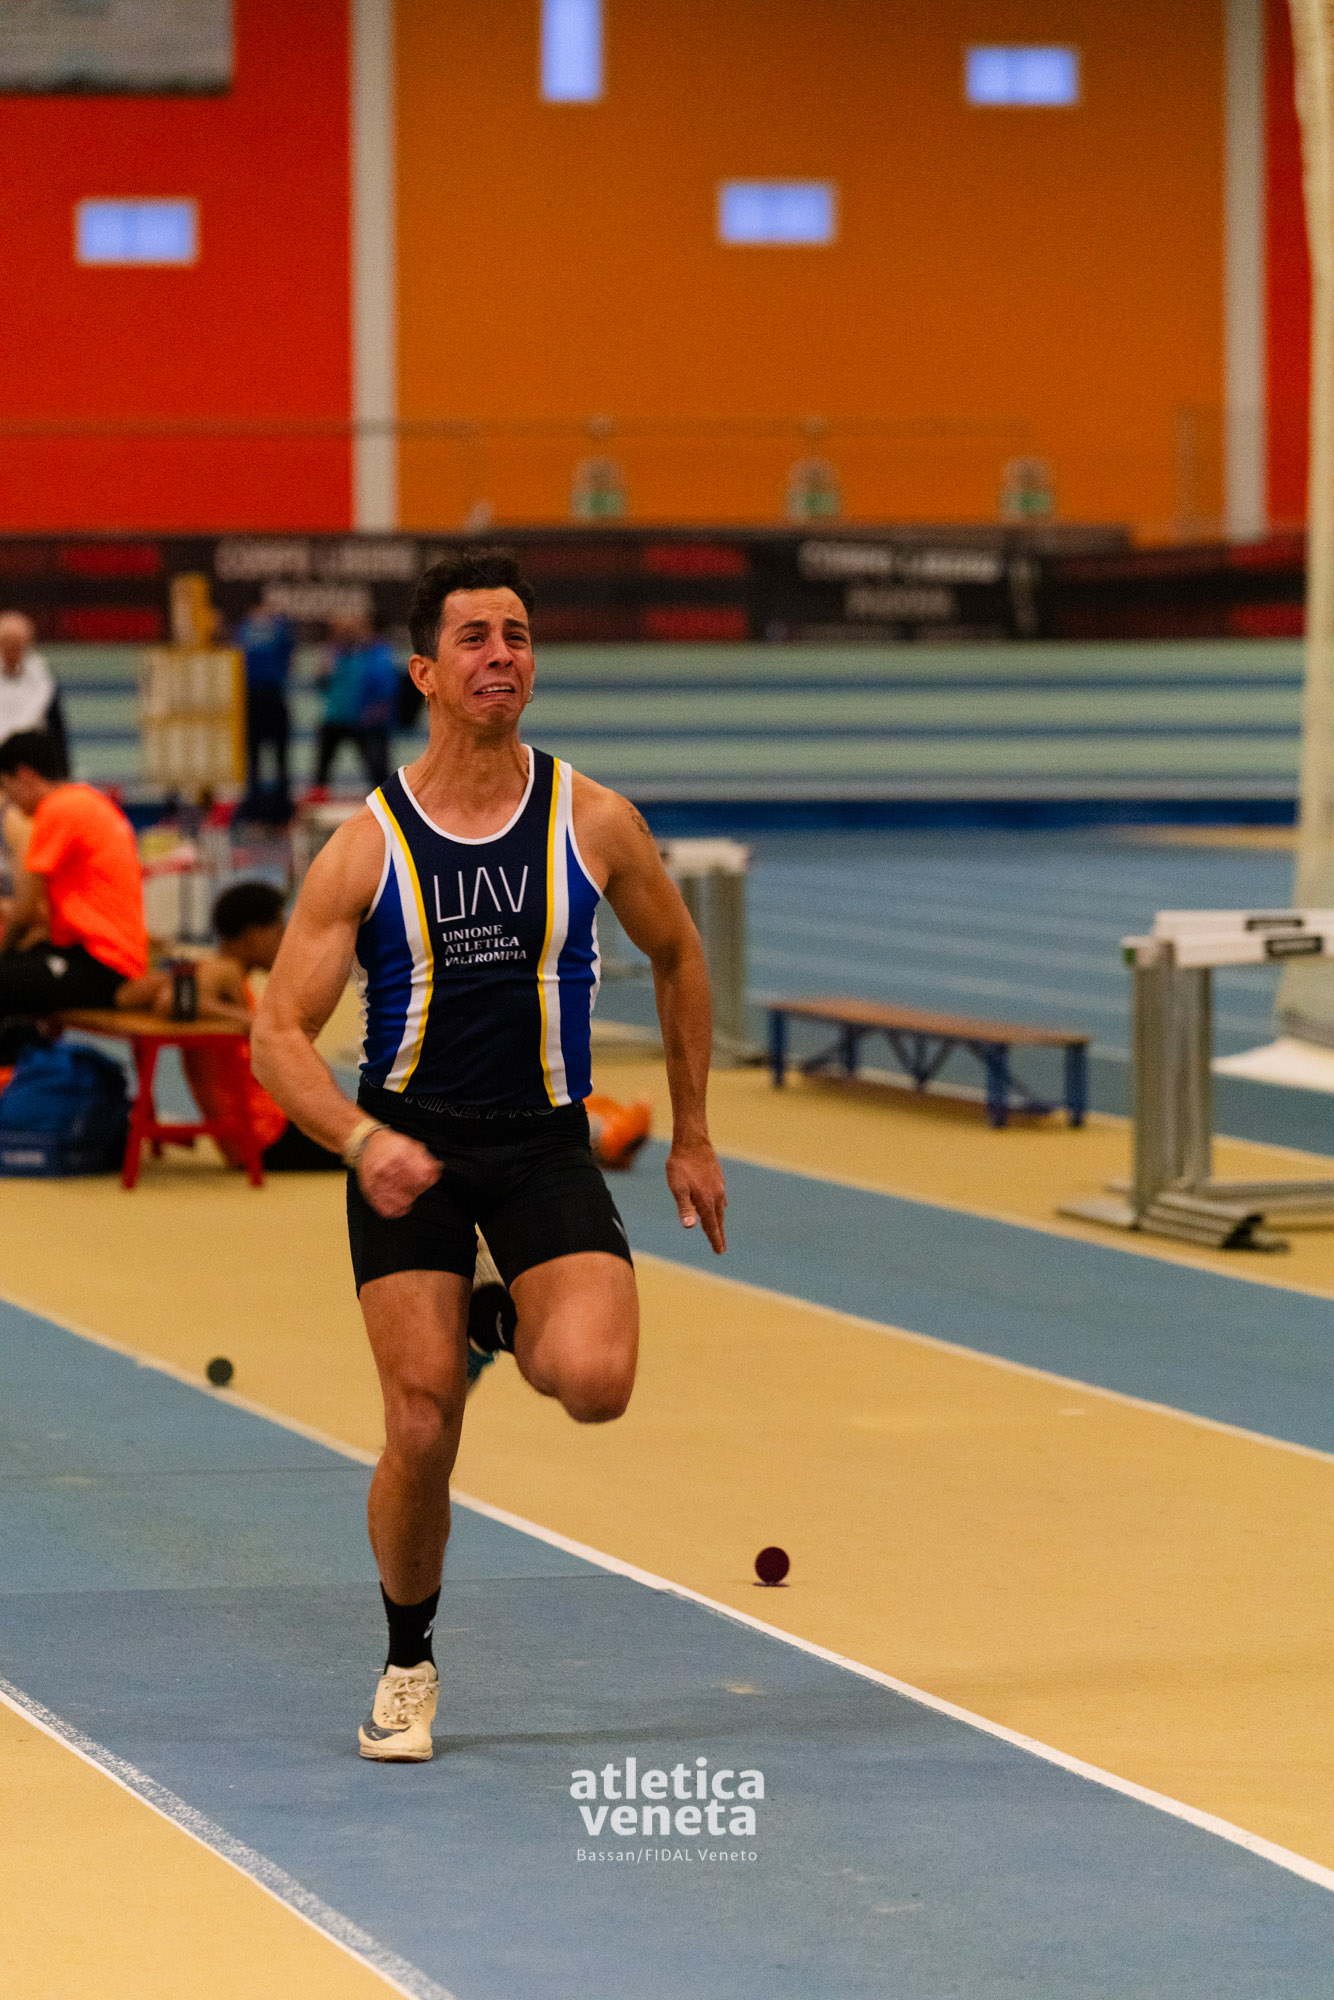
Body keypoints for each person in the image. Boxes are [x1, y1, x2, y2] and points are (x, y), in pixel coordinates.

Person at [252, 548, 727, 1763]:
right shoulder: (366, 847)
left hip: (542, 1142)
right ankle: (407, 1661)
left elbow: (679, 955)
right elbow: (277, 1034)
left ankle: (495, 1315)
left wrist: (691, 1131)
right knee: (421, 1424)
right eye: (473, 637)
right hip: (408, 1145)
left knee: (596, 1382)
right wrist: (360, 1139)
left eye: (516, 634)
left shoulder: (593, 819)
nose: (500, 655)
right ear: (423, 671)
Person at [117, 879, 343, 1174]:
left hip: (261, 1132)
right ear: (252, 935)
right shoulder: (223, 970)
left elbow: (138, 996)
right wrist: (250, 1022)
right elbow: (171, 1002)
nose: (285, 941)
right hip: (266, 1137)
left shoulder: (216, 970)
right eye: (279, 931)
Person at [0, 731, 147, 1034]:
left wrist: (4, 952)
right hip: (98, 955)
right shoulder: (86, 801)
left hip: (103, 965)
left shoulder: (57, 808)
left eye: (6, 787)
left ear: (25, 776)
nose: (8, 800)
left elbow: (25, 912)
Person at [312, 618, 400, 792]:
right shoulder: (334, 655)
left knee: (377, 766)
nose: (346, 636)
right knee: (322, 768)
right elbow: (322, 683)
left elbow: (385, 683)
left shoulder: (373, 654)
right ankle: (318, 794)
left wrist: (378, 708)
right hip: (335, 715)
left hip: (362, 717)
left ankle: (387, 797)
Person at [234, 608, 295, 820]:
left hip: (257, 697)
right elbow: (289, 660)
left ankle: (259, 805)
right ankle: (278, 806)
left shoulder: (244, 630)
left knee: (258, 757)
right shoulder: (279, 629)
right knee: (274, 756)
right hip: (269, 695)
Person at [0, 613, 67, 772]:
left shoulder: (44, 678)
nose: (12, 648)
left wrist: (63, 771)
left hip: (31, 762)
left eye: (17, 643)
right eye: (7, 642)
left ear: (27, 643)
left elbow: (56, 729)